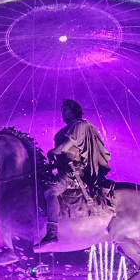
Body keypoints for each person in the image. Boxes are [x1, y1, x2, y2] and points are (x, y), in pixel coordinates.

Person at [39, 98, 112, 248]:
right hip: (65, 168)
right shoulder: (71, 126)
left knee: (51, 190)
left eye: (66, 110)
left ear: (74, 111)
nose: (63, 113)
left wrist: (52, 152)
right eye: (62, 111)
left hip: (74, 171)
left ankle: (52, 232)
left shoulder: (79, 125)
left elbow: (65, 147)